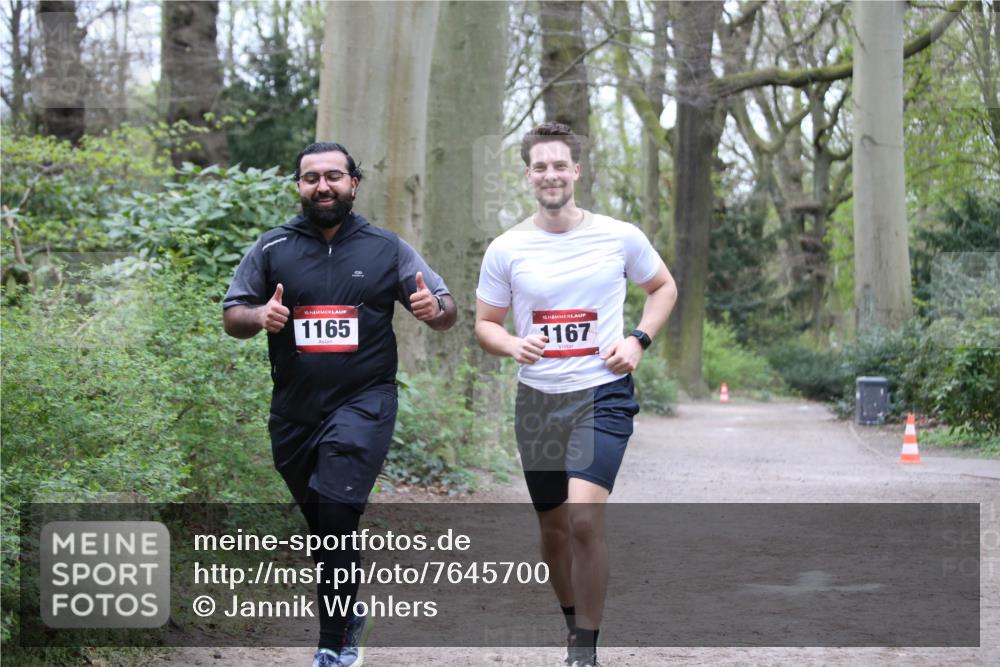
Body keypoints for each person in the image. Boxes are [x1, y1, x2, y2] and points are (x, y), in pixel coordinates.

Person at [223, 141, 456, 667]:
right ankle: (348, 611)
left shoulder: (387, 248)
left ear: (354, 183)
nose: (322, 186)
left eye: (333, 176)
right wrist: (259, 317)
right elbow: (233, 313)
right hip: (293, 411)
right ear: (299, 187)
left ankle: (334, 644)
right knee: (327, 521)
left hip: (364, 402)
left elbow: (446, 308)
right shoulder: (271, 247)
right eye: (311, 178)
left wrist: (433, 307)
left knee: (334, 513)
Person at [474, 122, 677, 667]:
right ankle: (572, 621)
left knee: (584, 518)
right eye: (540, 166)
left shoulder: (618, 235)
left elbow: (663, 287)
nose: (551, 174)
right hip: (539, 401)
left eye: (560, 165)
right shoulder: (507, 247)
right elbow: (485, 324)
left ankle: (585, 647)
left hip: (601, 395)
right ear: (528, 175)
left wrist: (638, 340)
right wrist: (513, 343)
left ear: (577, 171)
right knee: (554, 526)